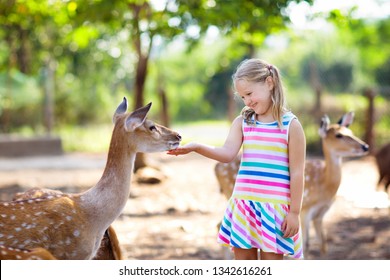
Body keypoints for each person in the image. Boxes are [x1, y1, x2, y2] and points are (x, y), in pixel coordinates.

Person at [167, 58, 306, 260]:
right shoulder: (243, 122)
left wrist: (294, 212)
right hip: (245, 206)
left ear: (269, 83)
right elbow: (226, 153)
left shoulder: (291, 126)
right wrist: (196, 147)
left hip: (274, 211)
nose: (247, 101)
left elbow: (297, 172)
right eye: (242, 97)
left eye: (249, 94)